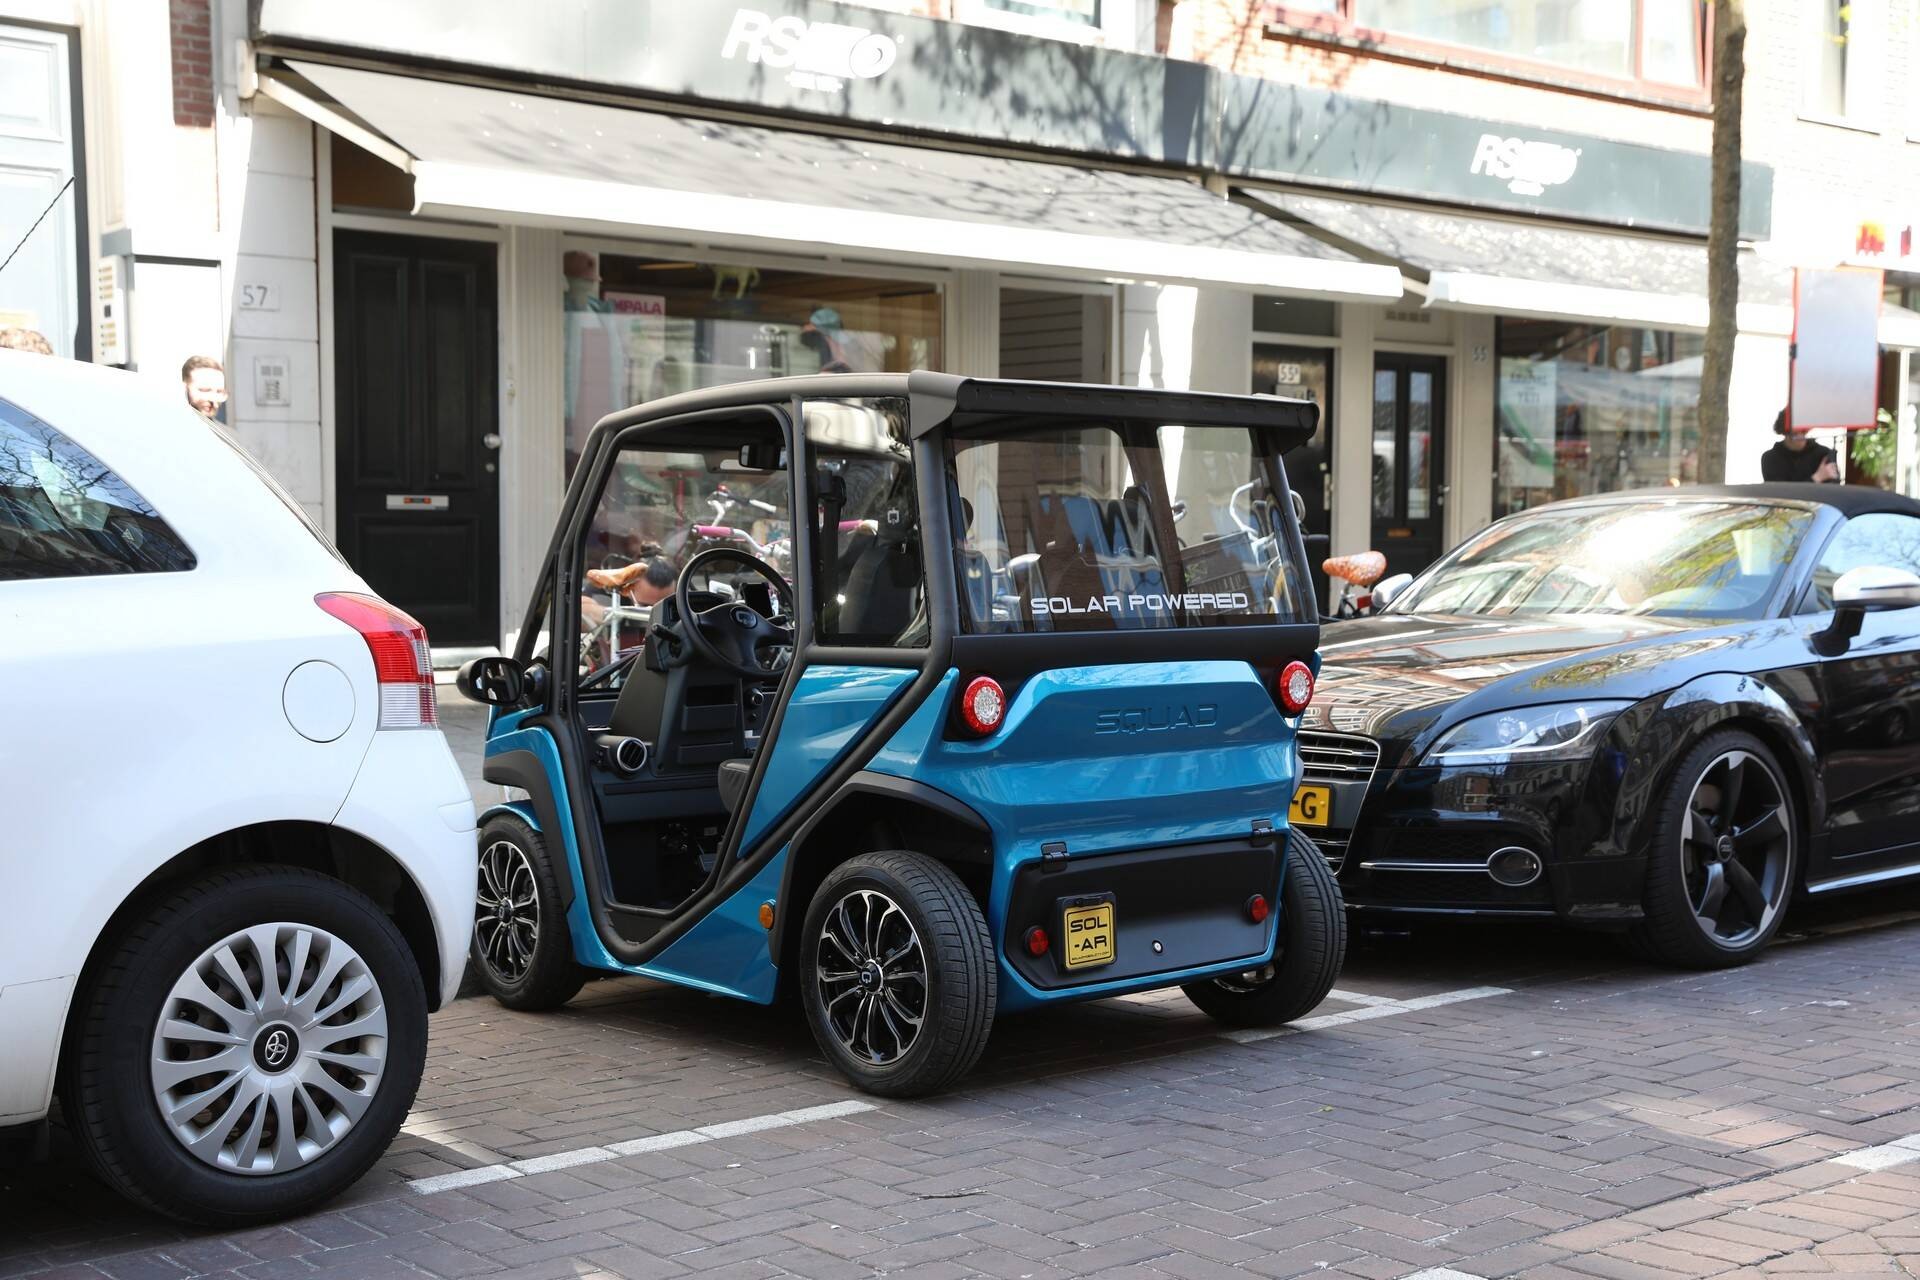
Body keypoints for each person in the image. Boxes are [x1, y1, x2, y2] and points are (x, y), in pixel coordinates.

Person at [1761, 409, 1839, 483]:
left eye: (1804, 430)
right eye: (1795, 432)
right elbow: (1779, 492)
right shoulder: (1770, 458)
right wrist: (1817, 477)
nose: (1800, 434)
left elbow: (1833, 489)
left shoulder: (1824, 454)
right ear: (1784, 431)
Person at [181, 355, 228, 421]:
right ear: (185, 387)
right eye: (205, 390)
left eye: (219, 391)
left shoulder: (227, 431)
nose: (213, 398)